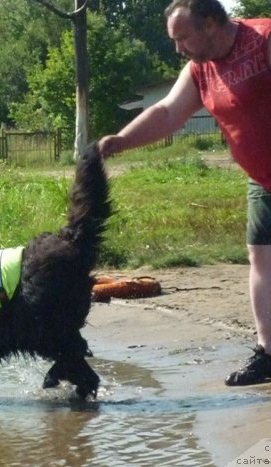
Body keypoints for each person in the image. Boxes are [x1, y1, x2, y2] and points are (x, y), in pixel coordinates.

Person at [99, 0, 271, 386]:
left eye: (182, 37)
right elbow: (167, 113)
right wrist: (121, 141)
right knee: (262, 256)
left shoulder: (264, 40)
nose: (178, 48)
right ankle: (268, 353)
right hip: (263, 179)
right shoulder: (200, 69)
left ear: (210, 24)